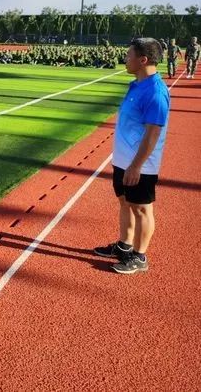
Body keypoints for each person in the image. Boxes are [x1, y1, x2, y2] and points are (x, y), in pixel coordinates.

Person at [94, 38, 170, 274]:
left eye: (129, 55)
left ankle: (140, 257)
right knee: (125, 202)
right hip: (123, 160)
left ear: (143, 60)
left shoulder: (156, 92)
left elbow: (152, 134)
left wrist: (136, 166)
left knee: (142, 209)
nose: (125, 59)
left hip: (141, 165)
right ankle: (124, 246)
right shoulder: (135, 84)